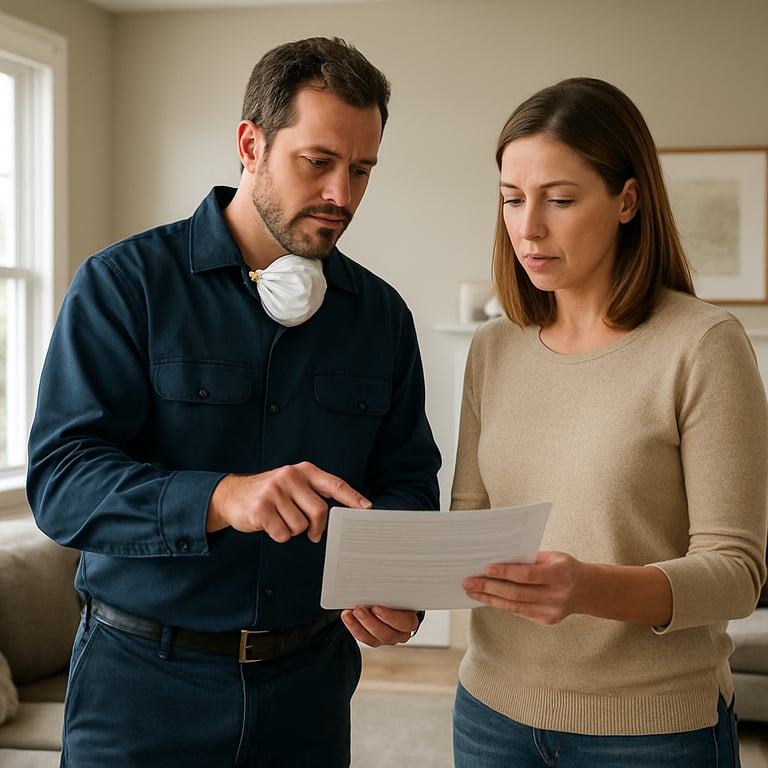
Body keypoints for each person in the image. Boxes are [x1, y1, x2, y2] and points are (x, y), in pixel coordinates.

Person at [26, 36, 440, 768]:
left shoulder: (382, 318)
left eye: (362, 169)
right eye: (318, 162)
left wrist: (397, 582)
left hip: (311, 689)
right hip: (140, 691)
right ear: (250, 144)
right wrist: (223, 498)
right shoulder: (124, 287)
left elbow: (405, 478)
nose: (342, 194)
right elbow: (62, 484)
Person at [451, 77, 767, 767]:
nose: (528, 226)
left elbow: (738, 574)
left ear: (628, 200)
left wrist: (590, 588)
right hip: (490, 715)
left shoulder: (703, 344)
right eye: (511, 199)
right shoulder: (492, 348)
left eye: (559, 200)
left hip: (654, 731)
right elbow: (470, 532)